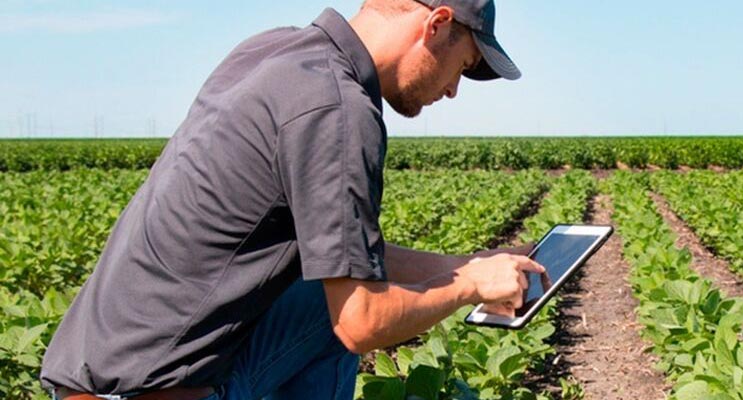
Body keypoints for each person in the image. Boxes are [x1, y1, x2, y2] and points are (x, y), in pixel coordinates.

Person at [39, 1, 539, 399]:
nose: (453, 90)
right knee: (339, 314)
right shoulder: (341, 111)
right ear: (436, 24)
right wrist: (469, 287)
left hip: (87, 376)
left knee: (324, 292)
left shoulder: (271, 53)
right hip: (153, 391)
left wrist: (465, 263)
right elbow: (361, 321)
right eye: (463, 64)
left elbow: (346, 259)